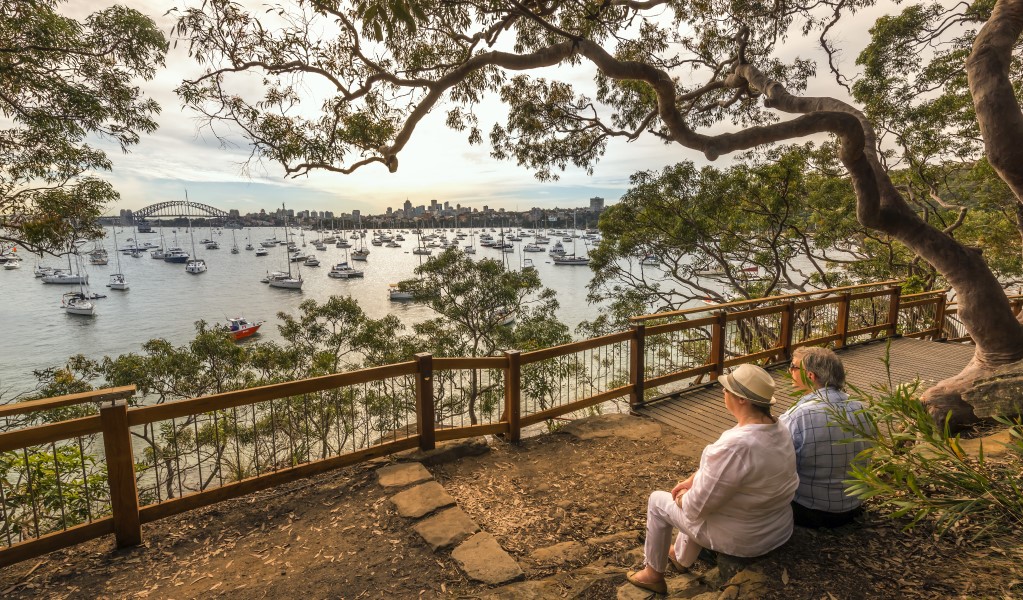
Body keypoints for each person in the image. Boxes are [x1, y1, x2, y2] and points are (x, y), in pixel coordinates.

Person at [626, 364, 799, 595]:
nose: (722, 392)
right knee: (708, 495)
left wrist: (683, 496)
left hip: (746, 538)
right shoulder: (779, 429)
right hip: (775, 526)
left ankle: (652, 574)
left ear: (742, 400)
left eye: (727, 390)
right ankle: (679, 557)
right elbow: (727, 476)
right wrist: (693, 479)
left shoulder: (735, 446)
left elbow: (695, 508)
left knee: (658, 501)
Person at [780, 346, 871, 528]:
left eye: (793, 367)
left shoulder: (799, 416)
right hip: (853, 505)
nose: (790, 371)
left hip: (808, 509)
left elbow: (778, 464)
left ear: (811, 376)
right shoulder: (862, 408)